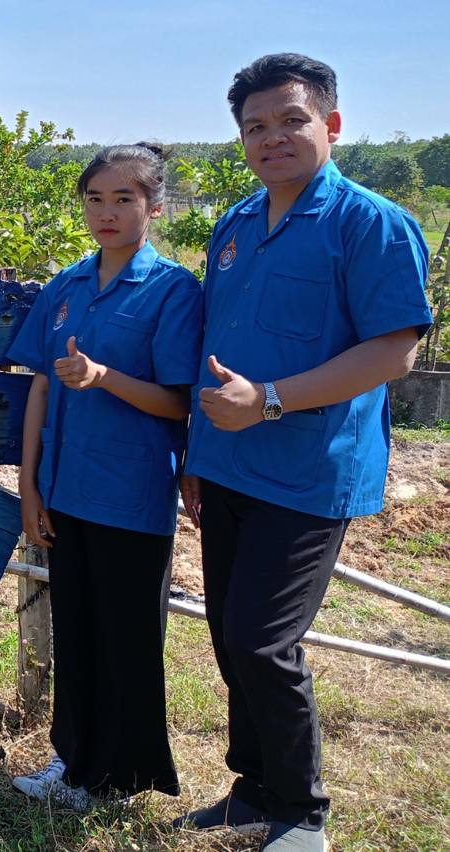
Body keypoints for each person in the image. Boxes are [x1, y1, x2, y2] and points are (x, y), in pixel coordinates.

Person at [176, 54, 431, 851]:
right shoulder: (235, 225)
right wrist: (195, 451)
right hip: (224, 465)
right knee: (227, 632)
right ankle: (251, 789)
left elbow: (395, 352)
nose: (271, 137)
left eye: (290, 119)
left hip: (307, 469)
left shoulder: (371, 224)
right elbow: (215, 345)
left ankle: (299, 812)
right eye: (254, 126)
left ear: (331, 123)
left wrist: (272, 400)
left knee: (262, 639)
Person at [5, 143, 203, 812]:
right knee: (78, 633)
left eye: (124, 199)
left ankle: (119, 780)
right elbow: (38, 385)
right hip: (64, 487)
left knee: (125, 638)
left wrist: (102, 377)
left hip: (130, 492)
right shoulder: (65, 285)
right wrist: (29, 487)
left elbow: (179, 402)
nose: (107, 212)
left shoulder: (171, 289)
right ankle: (73, 763)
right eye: (95, 198)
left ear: (154, 206)